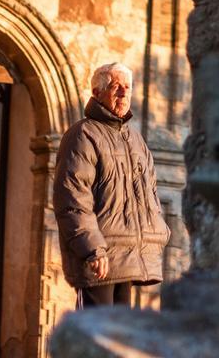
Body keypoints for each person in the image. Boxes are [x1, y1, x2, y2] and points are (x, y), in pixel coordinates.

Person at [53, 62, 170, 308]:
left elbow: (151, 195)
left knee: (117, 338)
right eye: (116, 87)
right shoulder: (82, 135)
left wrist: (159, 233)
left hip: (129, 258)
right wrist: (92, 249)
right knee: (95, 336)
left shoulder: (136, 140)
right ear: (97, 92)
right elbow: (73, 199)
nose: (124, 93)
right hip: (99, 258)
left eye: (127, 87)